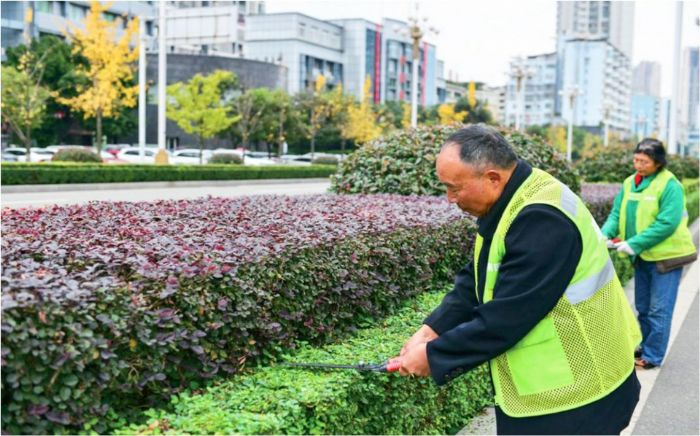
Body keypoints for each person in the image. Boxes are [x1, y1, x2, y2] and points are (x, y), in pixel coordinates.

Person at [393, 125, 641, 435]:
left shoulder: (541, 218)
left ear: (492, 178)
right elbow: (479, 277)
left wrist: (434, 357)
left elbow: (508, 316)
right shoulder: (513, 200)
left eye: (454, 188)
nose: (449, 198)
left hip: (576, 397)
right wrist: (431, 330)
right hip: (562, 393)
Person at [601, 138, 696, 370]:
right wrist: (604, 234)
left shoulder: (669, 185)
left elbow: (667, 222)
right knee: (643, 306)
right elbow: (616, 213)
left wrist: (634, 243)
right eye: (636, 160)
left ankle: (653, 356)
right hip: (642, 256)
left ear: (658, 163)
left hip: (667, 258)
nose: (638, 165)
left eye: (644, 161)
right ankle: (645, 345)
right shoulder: (629, 183)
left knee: (659, 309)